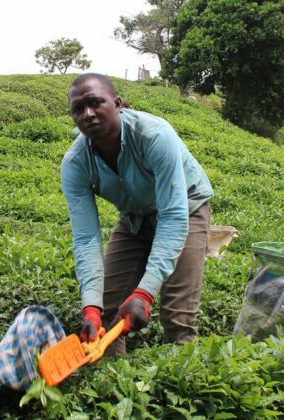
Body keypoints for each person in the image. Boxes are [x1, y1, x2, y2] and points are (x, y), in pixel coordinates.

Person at [61, 73, 213, 354]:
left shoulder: (154, 135)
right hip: (134, 217)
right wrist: (90, 305)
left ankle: (181, 386)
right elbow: (85, 239)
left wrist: (144, 292)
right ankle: (109, 386)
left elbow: (173, 216)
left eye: (96, 103)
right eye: (78, 109)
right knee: (107, 311)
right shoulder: (75, 163)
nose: (88, 114)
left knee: (177, 316)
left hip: (185, 209)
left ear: (118, 104)